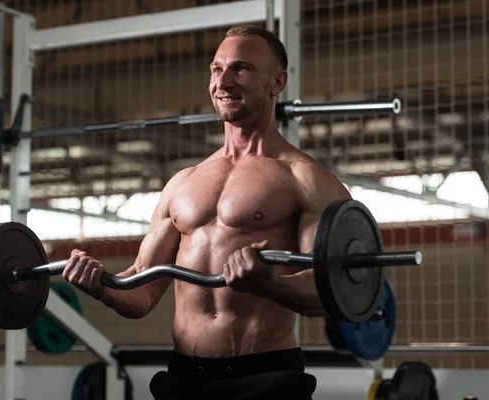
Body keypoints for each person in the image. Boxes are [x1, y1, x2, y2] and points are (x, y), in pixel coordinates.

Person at [62, 24, 352, 400]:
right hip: (184, 378)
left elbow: (332, 294)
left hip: (267, 379)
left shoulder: (306, 179)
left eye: (241, 68)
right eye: (217, 69)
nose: (224, 81)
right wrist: (101, 286)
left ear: (277, 82)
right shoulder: (182, 183)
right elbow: (140, 294)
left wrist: (271, 284)